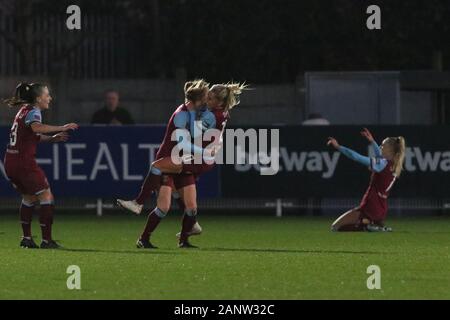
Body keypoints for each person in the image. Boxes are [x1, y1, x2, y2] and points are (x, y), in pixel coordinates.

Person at [3, 82, 79, 249]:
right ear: (38, 98)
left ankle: (27, 238)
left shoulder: (23, 110)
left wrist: (52, 139)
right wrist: (62, 127)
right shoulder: (33, 111)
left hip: (11, 161)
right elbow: (36, 127)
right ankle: (47, 241)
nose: (49, 98)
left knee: (29, 198)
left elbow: (30, 135)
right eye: (47, 95)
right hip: (24, 163)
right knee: (46, 196)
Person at [327, 128, 406, 232]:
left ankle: (368, 225)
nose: (380, 147)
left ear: (389, 150)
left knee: (335, 227)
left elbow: (356, 157)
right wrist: (372, 141)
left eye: (382, 145)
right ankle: (371, 225)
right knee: (348, 226)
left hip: (370, 206)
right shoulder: (394, 165)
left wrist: (338, 147)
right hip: (381, 208)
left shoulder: (382, 164)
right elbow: (380, 156)